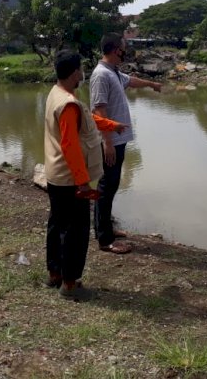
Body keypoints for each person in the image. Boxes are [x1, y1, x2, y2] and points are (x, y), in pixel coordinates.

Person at [44, 49, 126, 301]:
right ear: (74, 73)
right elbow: (69, 144)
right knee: (76, 231)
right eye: (80, 69)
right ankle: (70, 284)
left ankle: (55, 274)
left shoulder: (58, 93)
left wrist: (111, 125)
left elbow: (86, 120)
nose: (83, 73)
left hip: (56, 175)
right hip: (71, 180)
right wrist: (82, 183)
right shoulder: (67, 103)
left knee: (57, 224)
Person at [90, 34, 161, 254]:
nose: (125, 51)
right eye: (123, 48)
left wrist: (152, 84)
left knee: (111, 186)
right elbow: (98, 110)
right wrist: (107, 142)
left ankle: (106, 228)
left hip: (118, 140)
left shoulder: (114, 73)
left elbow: (131, 81)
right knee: (106, 187)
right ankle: (104, 239)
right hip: (111, 141)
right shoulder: (101, 75)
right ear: (114, 50)